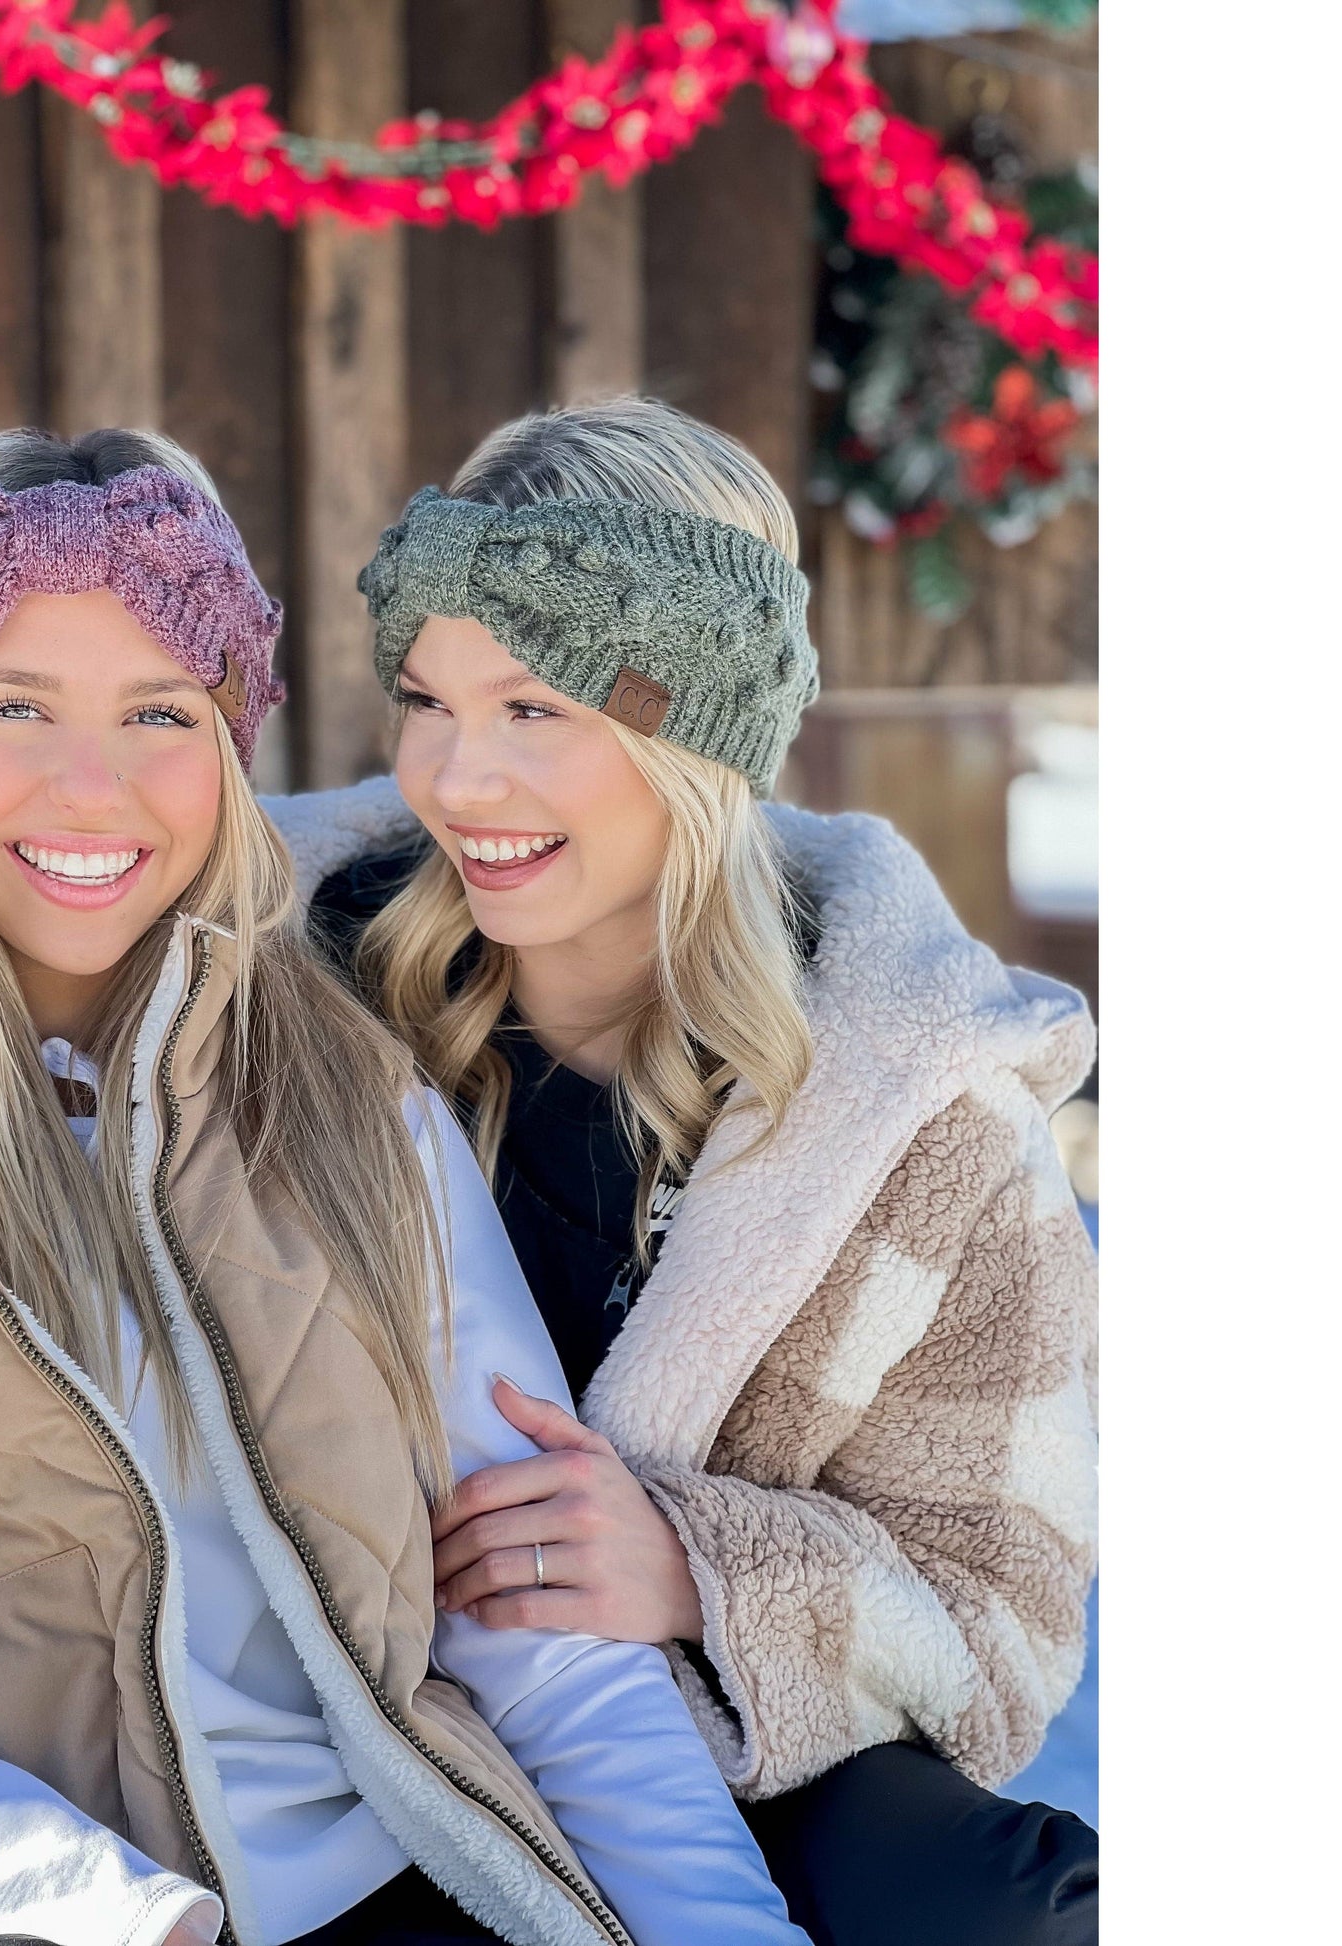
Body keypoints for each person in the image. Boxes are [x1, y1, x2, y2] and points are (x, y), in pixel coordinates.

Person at [0, 426, 813, 1946]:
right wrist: (104, 1920)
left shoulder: (349, 1095)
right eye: (13, 706)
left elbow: (534, 1632)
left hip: (394, 1887)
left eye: (157, 712)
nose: (92, 786)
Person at [282, 397, 1100, 1946]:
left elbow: (1000, 1618)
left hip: (746, 1753)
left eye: (534, 709)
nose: (457, 780)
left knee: (1016, 1906)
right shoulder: (295, 1001)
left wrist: (696, 1569)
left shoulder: (923, 1117)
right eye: (425, 700)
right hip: (370, 1727)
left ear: (691, 727)